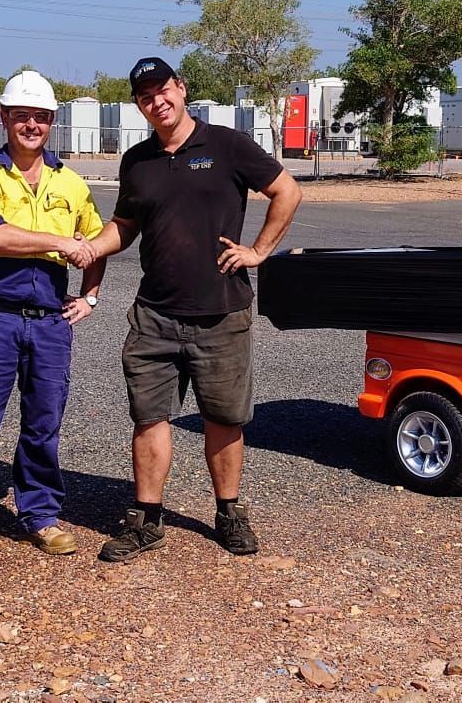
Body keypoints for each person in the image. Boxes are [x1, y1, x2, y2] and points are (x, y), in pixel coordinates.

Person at [86, 56, 302, 561]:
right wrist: (89, 248)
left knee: (223, 419)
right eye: (144, 97)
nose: (156, 102)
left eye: (163, 90)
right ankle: (146, 519)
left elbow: (286, 190)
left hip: (221, 312)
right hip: (154, 314)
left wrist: (258, 251)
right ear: (138, 105)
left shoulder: (226, 145)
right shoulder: (136, 161)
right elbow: (124, 226)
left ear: (181, 89)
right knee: (149, 418)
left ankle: (228, 512)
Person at [0, 70, 106, 567]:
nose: (31, 124)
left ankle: (41, 515)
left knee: (43, 424)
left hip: (50, 322)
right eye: (21, 116)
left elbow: (95, 243)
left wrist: (90, 296)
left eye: (40, 117)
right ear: (5, 119)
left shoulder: (71, 183)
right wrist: (60, 243)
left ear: (52, 122)